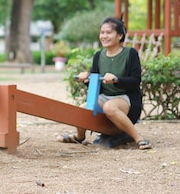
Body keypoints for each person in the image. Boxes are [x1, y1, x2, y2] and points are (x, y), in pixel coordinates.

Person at [57, 16, 152, 150]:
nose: (104, 36)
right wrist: (87, 79)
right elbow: (96, 83)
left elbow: (135, 80)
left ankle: (139, 139)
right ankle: (79, 137)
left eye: (108, 32)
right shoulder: (99, 55)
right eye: (102, 32)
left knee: (109, 107)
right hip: (105, 97)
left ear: (119, 35)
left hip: (125, 98)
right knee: (83, 109)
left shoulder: (130, 53)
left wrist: (117, 79)